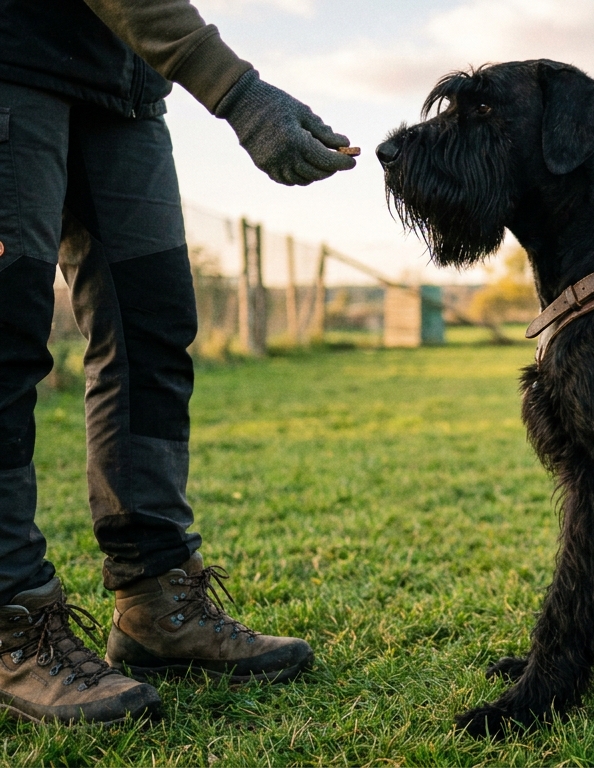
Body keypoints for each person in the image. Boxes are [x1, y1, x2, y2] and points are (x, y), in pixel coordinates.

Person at [0, 0, 355, 724]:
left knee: (152, 331)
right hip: (11, 61)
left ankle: (155, 598)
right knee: (5, 339)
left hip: (123, 87)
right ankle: (12, 623)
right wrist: (237, 90)